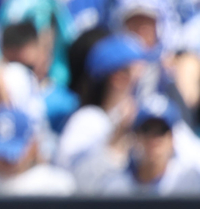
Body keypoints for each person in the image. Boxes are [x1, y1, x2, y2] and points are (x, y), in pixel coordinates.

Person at [55, 32, 148, 170]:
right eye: (138, 71)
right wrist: (116, 139)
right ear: (118, 78)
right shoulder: (88, 120)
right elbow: (72, 174)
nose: (144, 74)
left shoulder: (146, 116)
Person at [77, 96, 200, 194]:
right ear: (136, 137)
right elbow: (82, 183)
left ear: (172, 139)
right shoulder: (117, 186)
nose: (154, 139)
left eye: (161, 131)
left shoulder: (188, 180)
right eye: (146, 130)